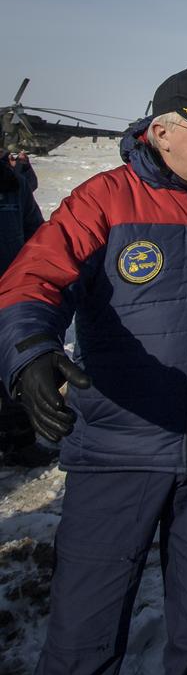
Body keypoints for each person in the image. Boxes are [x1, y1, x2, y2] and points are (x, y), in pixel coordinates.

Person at [0, 68, 187, 675]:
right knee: (83, 634)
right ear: (163, 132)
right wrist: (30, 351)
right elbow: (32, 280)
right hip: (119, 450)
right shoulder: (106, 199)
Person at [0, 150, 45, 463]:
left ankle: (20, 441)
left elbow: (38, 238)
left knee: (13, 370)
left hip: (10, 296)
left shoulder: (12, 183)